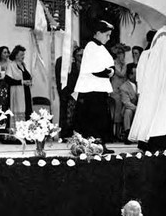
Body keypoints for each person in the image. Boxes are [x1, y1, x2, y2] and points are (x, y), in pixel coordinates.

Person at [129, 11, 166, 151]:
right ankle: (157, 146)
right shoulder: (164, 37)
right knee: (159, 116)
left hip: (164, 84)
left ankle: (160, 145)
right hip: (161, 86)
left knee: (160, 116)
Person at [74, 20, 115, 154]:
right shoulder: (91, 46)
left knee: (101, 121)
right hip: (91, 91)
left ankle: (100, 146)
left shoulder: (101, 47)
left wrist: (110, 71)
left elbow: (109, 66)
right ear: (98, 33)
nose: (108, 38)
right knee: (93, 121)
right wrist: (108, 72)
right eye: (107, 35)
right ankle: (92, 147)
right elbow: (95, 70)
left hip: (99, 90)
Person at [55, 46, 84, 139]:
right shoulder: (61, 60)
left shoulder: (79, 62)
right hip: (66, 92)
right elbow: (59, 78)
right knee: (66, 115)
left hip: (78, 91)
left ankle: (76, 134)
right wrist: (65, 91)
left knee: (76, 114)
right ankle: (65, 134)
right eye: (80, 55)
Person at [5, 45, 33, 135]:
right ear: (16, 55)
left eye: (24, 54)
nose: (23, 56)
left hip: (25, 91)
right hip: (16, 92)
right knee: (18, 111)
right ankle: (16, 134)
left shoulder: (24, 65)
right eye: (21, 54)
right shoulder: (11, 65)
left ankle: (26, 134)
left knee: (27, 111)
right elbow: (8, 80)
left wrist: (28, 81)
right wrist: (22, 82)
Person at [109, 44, 128, 142]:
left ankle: (120, 133)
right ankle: (114, 134)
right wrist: (124, 64)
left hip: (122, 90)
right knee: (116, 113)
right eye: (120, 54)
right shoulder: (114, 63)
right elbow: (121, 73)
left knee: (121, 113)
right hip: (115, 90)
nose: (122, 56)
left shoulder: (122, 64)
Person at [119, 63, 138, 144]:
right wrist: (138, 109)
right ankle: (127, 133)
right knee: (128, 111)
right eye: (136, 73)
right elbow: (126, 102)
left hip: (141, 109)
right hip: (131, 109)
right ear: (130, 75)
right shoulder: (124, 87)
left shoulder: (141, 84)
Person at [0, 46, 10, 112]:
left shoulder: (11, 64)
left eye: (7, 52)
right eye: (4, 52)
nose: (7, 54)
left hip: (9, 86)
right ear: (0, 54)